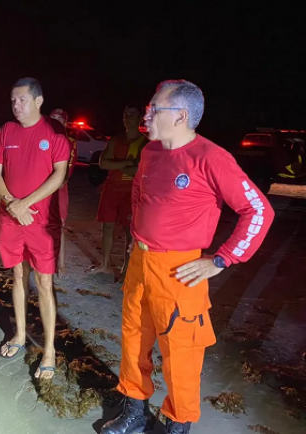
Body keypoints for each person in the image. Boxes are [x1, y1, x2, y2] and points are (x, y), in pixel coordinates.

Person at [100, 80, 274, 434]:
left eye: (154, 108)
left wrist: (221, 259)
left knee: (180, 355)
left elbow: (259, 211)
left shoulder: (211, 157)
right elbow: (139, 196)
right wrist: (136, 239)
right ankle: (134, 409)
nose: (146, 114)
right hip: (141, 264)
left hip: (180, 271)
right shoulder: (149, 153)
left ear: (180, 116)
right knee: (134, 338)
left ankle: (177, 424)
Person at [0, 78, 71, 379]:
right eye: (12, 101)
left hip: (40, 220)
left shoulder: (54, 131)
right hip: (10, 216)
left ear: (38, 101)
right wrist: (12, 202)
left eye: (21, 100)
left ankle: (49, 349)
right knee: (18, 275)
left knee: (45, 283)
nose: (16, 106)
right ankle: (21, 334)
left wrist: (26, 204)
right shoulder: (6, 131)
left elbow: (59, 175)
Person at [90, 106, 148, 278]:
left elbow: (137, 170)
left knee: (128, 231)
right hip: (111, 188)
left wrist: (116, 163)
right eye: (125, 115)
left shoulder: (145, 143)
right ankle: (105, 265)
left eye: (131, 115)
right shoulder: (115, 140)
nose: (127, 118)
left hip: (131, 191)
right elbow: (102, 163)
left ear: (140, 119)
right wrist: (125, 164)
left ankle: (126, 268)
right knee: (107, 227)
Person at [49, 108, 77, 278]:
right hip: (40, 188)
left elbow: (67, 170)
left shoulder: (70, 141)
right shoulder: (41, 138)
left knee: (59, 225)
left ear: (65, 123)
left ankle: (61, 263)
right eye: (52, 118)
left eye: (59, 119)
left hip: (59, 188)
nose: (55, 121)